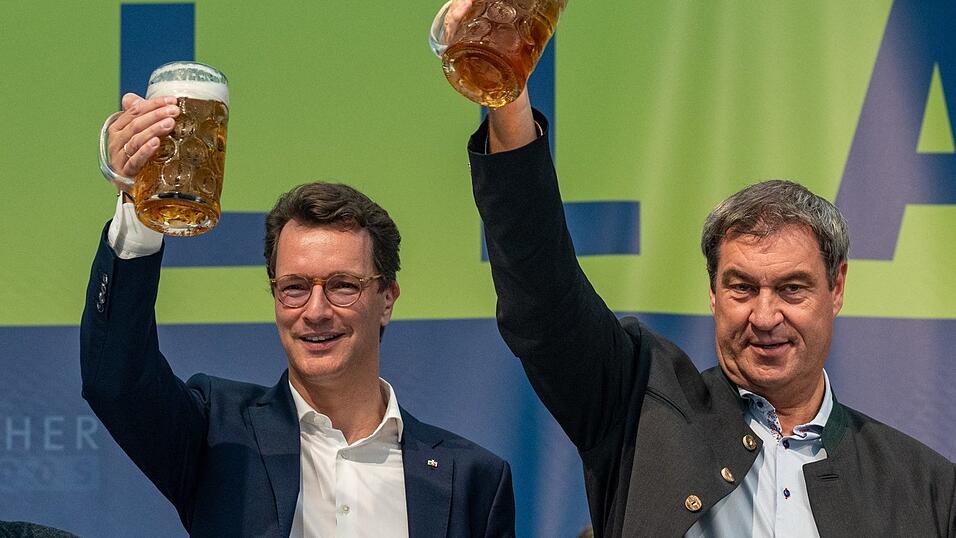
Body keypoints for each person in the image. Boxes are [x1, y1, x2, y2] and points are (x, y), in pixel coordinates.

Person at [462, 54, 955, 538]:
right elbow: (544, 301)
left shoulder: (926, 488)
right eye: (742, 287)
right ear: (713, 292)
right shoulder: (637, 406)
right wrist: (506, 94)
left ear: (837, 288)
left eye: (791, 289)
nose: (765, 316)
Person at [81, 93, 515, 537]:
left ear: (387, 299)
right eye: (294, 288)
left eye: (344, 285)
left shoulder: (472, 479)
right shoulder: (218, 436)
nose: (316, 311)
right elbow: (115, 380)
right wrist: (138, 207)